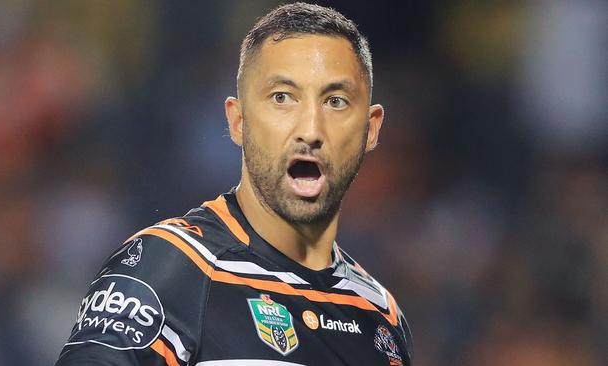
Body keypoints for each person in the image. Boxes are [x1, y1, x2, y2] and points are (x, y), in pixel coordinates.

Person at [55, 3, 412, 365]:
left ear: (371, 129)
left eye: (335, 101)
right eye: (282, 98)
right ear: (238, 121)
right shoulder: (173, 266)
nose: (310, 130)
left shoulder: (381, 315)